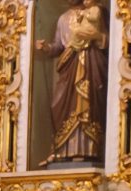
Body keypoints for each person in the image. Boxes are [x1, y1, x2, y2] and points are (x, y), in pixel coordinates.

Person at [35, 0, 106, 165]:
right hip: (69, 66)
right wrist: (46, 48)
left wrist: (96, 37)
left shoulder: (97, 11)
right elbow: (58, 47)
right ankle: (63, 150)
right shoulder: (63, 19)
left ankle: (90, 150)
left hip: (91, 63)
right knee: (59, 104)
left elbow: (112, 40)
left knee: (90, 102)